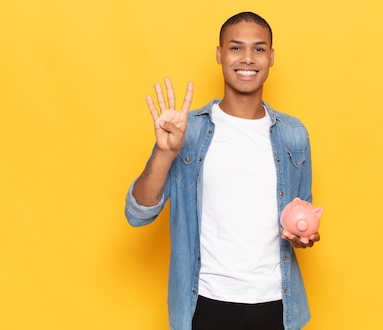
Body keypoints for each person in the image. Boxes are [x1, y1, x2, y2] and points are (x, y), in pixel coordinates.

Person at [125, 11, 320, 330]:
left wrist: (303, 236)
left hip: (277, 305)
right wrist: (164, 153)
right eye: (235, 47)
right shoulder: (189, 132)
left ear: (271, 57)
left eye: (258, 49)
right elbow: (139, 214)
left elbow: (302, 218)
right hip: (205, 304)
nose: (247, 58)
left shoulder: (293, 135)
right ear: (219, 54)